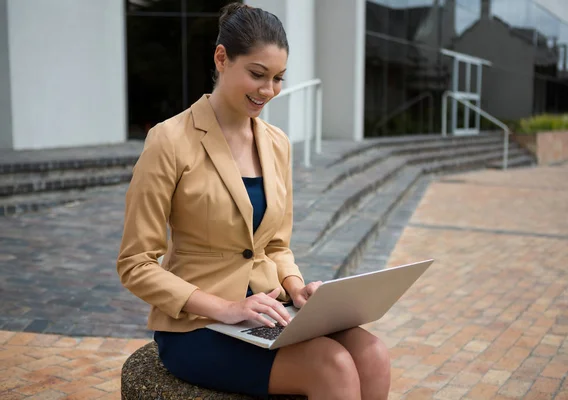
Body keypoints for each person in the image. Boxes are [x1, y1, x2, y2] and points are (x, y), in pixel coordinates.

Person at [117, 3, 390, 399]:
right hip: (199, 325)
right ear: (222, 58)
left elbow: (276, 245)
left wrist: (296, 288)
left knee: (373, 353)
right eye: (258, 75)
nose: (268, 91)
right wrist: (224, 308)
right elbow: (135, 264)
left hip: (267, 309)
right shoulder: (169, 140)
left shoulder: (276, 143)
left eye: (278, 78)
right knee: (332, 368)